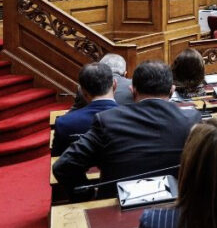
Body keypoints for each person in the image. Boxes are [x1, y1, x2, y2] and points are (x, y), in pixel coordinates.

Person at [52, 60, 202, 192]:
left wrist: (86, 194)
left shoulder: (108, 121)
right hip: (177, 209)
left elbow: (64, 167)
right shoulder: (192, 119)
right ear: (172, 90)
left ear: (133, 90)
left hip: (115, 213)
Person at [53, 63, 120, 155]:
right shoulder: (133, 117)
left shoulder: (64, 123)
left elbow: (57, 160)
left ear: (83, 92)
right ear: (115, 85)